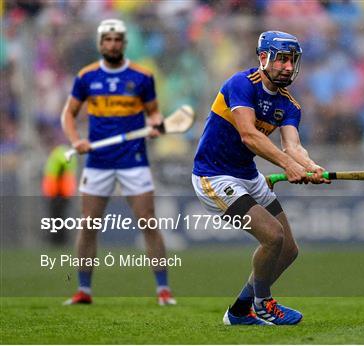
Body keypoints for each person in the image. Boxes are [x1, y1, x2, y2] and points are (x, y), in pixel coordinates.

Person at [192, 31, 329, 325]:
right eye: (281, 59)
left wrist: (309, 165)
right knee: (272, 235)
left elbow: (292, 146)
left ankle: (240, 312)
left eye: (292, 61)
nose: (288, 67)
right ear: (263, 58)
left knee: (289, 249)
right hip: (213, 176)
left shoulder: (289, 105)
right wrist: (288, 165)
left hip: (247, 176)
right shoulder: (241, 84)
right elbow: (249, 135)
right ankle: (263, 303)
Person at [61, 19, 176, 306]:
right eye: (107, 40)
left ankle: (163, 290)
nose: (112, 44)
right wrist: (76, 141)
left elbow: (154, 115)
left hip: (133, 160)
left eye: (117, 39)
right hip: (98, 161)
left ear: (124, 44)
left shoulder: (142, 77)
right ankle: (83, 290)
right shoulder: (86, 77)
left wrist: (155, 126)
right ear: (100, 44)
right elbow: (68, 115)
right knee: (88, 225)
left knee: (148, 223)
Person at [41, 144, 78, 246]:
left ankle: (57, 241)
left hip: (58, 193)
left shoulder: (58, 154)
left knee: (57, 218)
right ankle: (59, 240)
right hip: (60, 193)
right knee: (59, 218)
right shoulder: (64, 155)